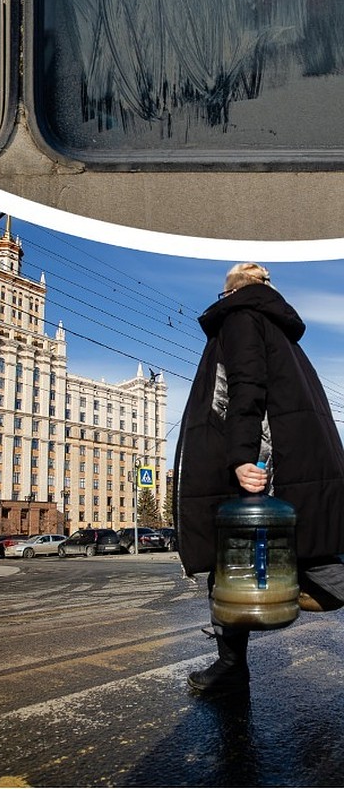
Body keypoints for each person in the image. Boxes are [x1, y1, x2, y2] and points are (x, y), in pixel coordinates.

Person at [175, 262, 344, 697]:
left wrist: (240, 458)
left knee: (295, 560)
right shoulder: (280, 329)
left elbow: (244, 391)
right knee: (267, 559)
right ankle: (230, 668)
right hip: (296, 468)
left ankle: (232, 670)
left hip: (265, 471)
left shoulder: (242, 317)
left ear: (228, 293)